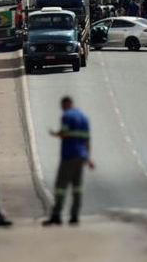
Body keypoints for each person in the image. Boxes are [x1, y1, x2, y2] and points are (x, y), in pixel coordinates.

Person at [43, 96, 94, 226]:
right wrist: (88, 158)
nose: (62, 109)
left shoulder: (67, 116)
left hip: (69, 156)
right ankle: (74, 216)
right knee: (77, 187)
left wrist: (55, 134)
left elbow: (64, 133)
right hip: (81, 156)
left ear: (66, 104)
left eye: (62, 106)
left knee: (61, 186)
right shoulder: (84, 117)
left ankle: (56, 215)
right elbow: (87, 140)